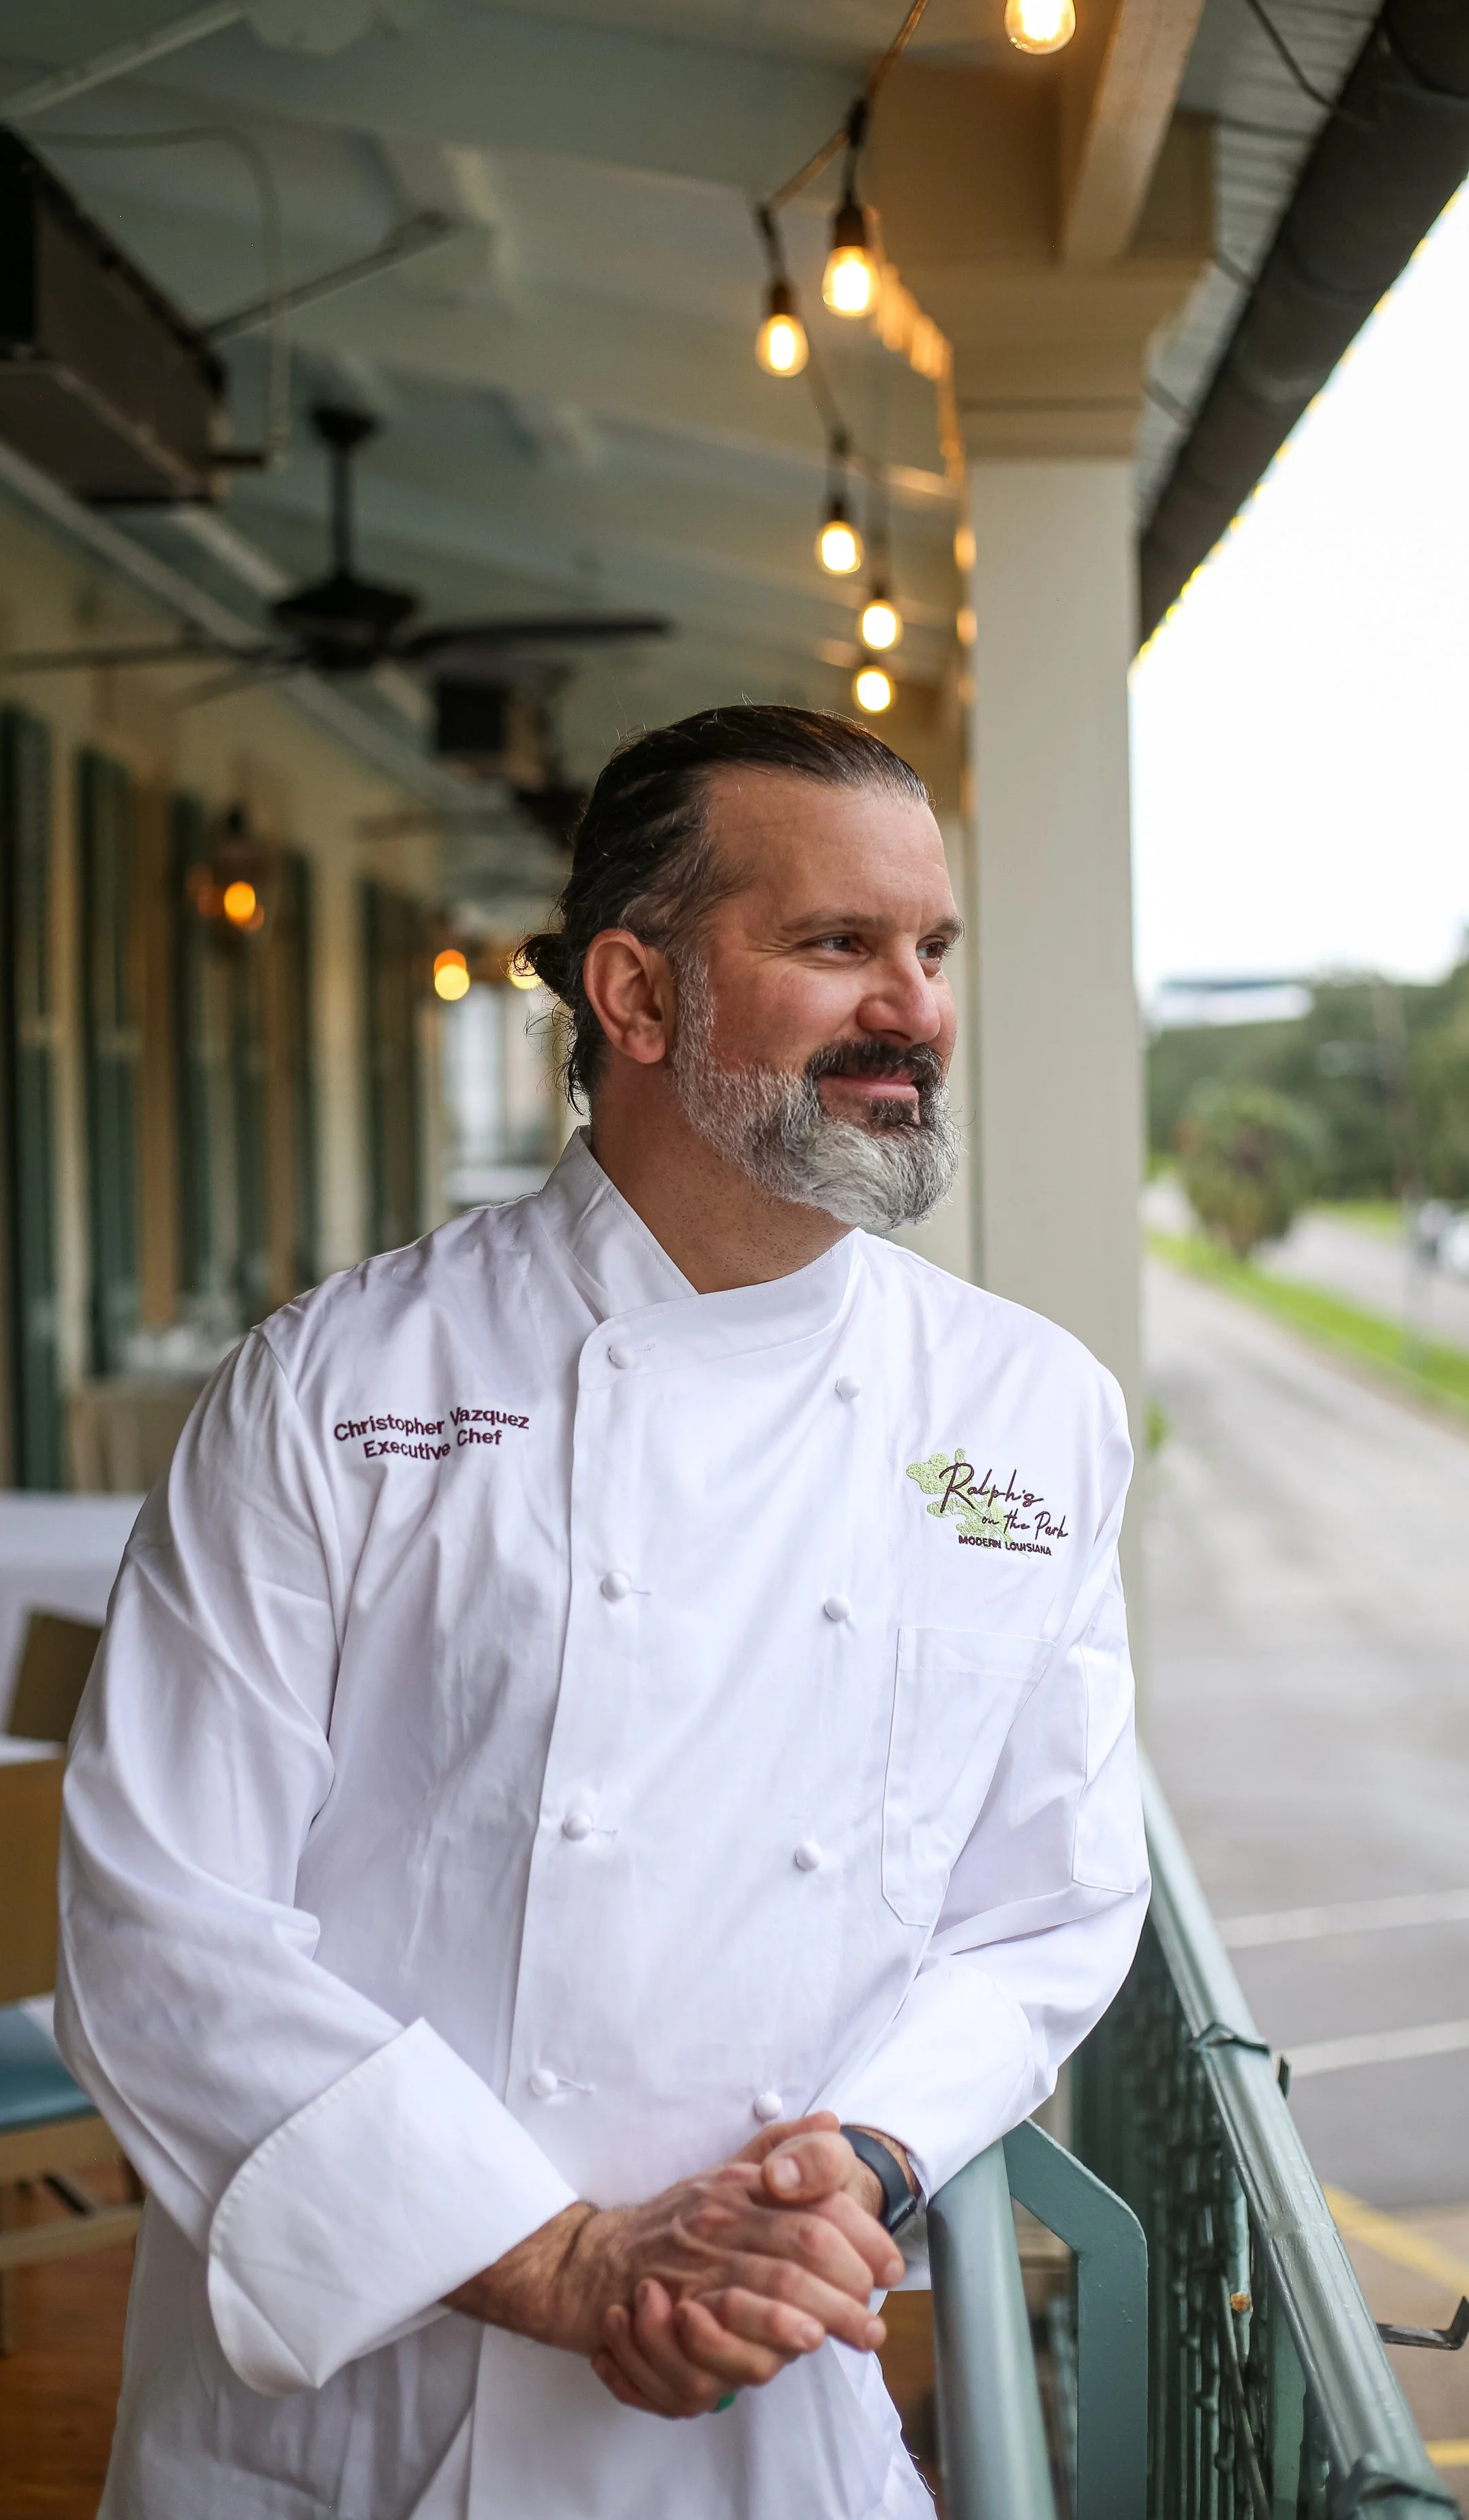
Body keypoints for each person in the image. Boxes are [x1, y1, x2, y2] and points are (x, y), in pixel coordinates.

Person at [58, 702, 1148, 2520]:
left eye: (929, 948)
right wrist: (556, 2257)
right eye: (834, 945)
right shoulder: (334, 1387)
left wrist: (856, 2167)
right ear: (636, 1000)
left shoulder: (1025, 1416)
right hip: (369, 2404)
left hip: (763, 2390)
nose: (914, 1010)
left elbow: (1046, 1900)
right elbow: (155, 1916)